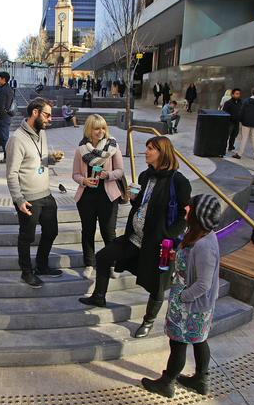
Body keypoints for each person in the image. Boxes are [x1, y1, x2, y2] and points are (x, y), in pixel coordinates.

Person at [79, 136, 191, 340]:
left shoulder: (178, 182)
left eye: (150, 149)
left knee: (157, 285)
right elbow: (141, 205)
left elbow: (185, 216)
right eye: (147, 147)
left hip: (158, 244)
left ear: (162, 152)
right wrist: (134, 198)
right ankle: (99, 296)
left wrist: (168, 237)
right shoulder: (145, 176)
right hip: (134, 237)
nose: (146, 151)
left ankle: (148, 321)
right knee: (104, 257)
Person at [141, 195, 222, 398]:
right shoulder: (200, 235)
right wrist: (175, 256)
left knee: (178, 343)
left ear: (199, 214)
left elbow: (204, 283)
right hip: (196, 304)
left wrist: (183, 297)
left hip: (191, 305)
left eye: (191, 207)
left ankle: (167, 383)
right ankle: (200, 380)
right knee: (199, 340)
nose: (186, 208)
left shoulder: (205, 246)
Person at [6, 98, 64, 287]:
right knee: (27, 237)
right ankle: (26, 272)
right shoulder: (17, 139)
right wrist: (19, 199)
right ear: (35, 113)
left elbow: (40, 160)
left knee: (51, 231)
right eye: (46, 115)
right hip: (28, 199)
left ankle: (42, 265)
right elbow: (12, 174)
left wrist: (52, 159)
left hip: (46, 194)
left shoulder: (42, 133)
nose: (50, 119)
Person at [72, 115, 125, 279]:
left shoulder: (113, 147)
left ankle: (111, 264)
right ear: (89, 130)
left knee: (108, 231)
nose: (101, 131)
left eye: (103, 128)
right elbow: (75, 174)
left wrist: (107, 175)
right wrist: (83, 180)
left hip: (108, 195)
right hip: (86, 195)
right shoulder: (81, 150)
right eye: (96, 128)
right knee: (88, 230)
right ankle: (89, 263)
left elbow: (120, 171)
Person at [233, 87, 254, 161]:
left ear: (251, 93)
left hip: (246, 122)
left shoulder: (246, 101)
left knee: (244, 138)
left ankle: (239, 154)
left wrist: (241, 120)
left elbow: (242, 112)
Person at [0, 71, 15, 164]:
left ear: (3, 79)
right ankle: (7, 157)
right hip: (7, 117)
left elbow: (1, 106)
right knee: (5, 138)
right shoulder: (9, 89)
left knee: (4, 139)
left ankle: (7, 157)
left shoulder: (3, 90)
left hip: (3, 117)